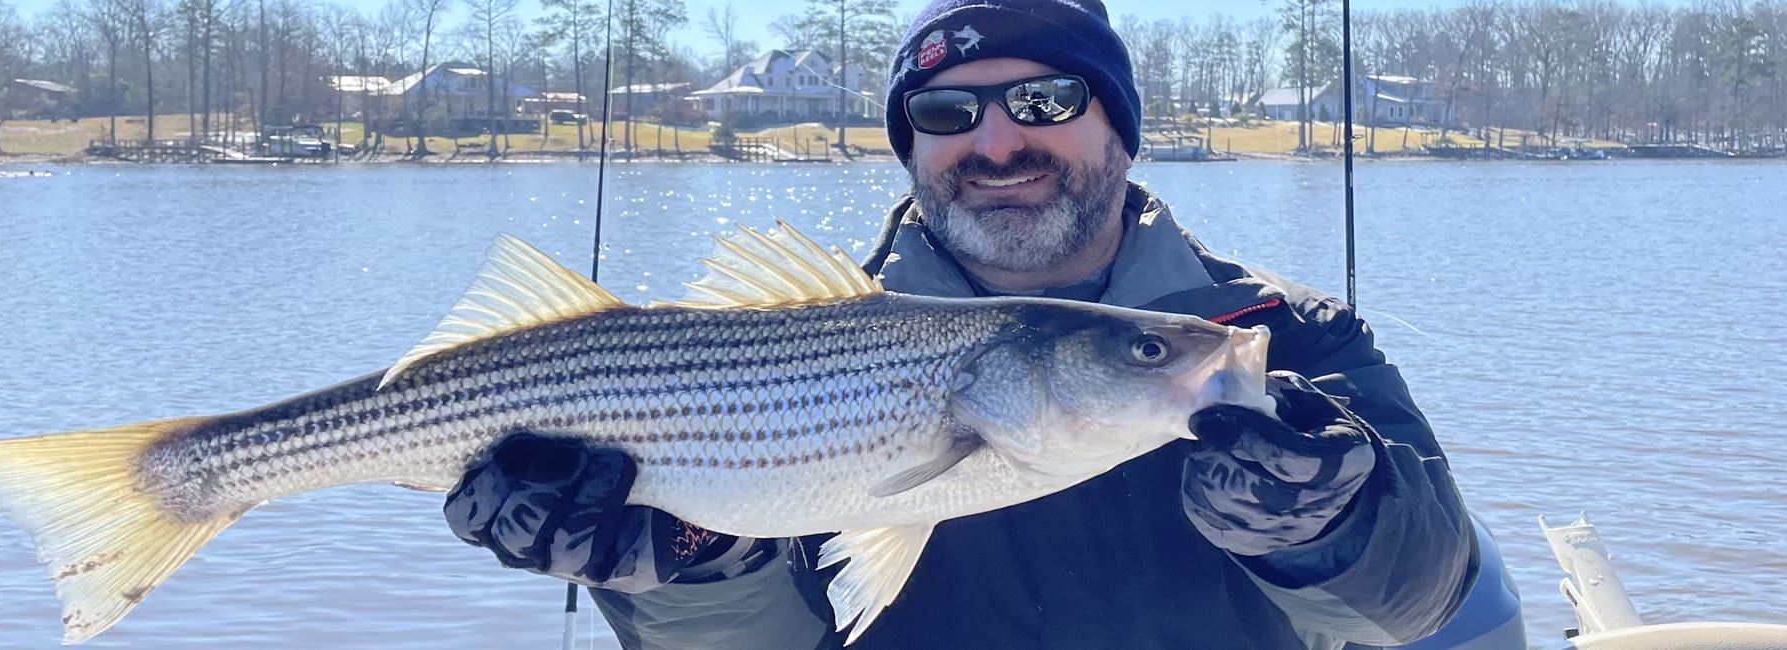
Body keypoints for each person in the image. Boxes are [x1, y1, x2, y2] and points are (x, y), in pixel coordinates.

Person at [442, 0, 1525, 647]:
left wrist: (1336, 520)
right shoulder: (805, 337)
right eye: (948, 113)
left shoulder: (1290, 339)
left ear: (1123, 128)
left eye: (1048, 101)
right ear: (912, 150)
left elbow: (1429, 599)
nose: (997, 142)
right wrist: (688, 572)